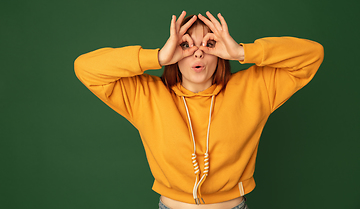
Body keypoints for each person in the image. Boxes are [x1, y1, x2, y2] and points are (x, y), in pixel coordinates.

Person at [74, 11, 324, 209]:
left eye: (209, 44)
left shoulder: (254, 87)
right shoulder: (146, 95)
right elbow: (85, 68)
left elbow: (313, 55)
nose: (198, 53)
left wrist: (240, 52)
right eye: (185, 45)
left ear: (219, 52)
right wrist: (158, 57)